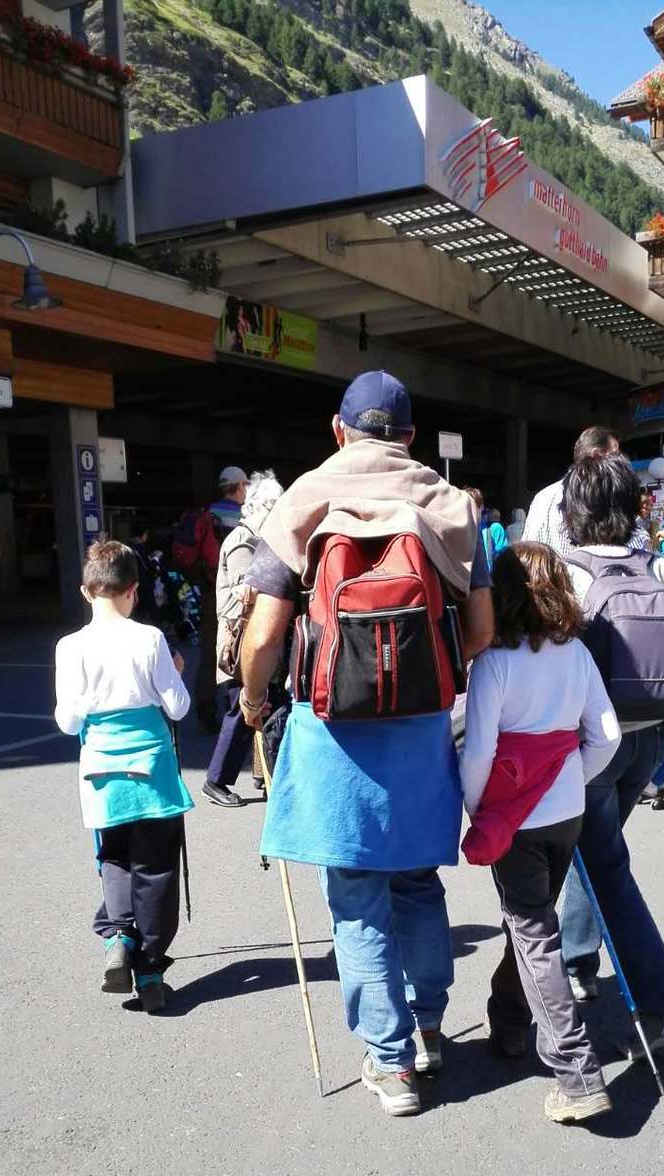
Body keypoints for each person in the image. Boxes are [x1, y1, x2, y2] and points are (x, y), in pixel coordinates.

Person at [239, 370, 494, 1117]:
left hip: (334, 736)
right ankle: (429, 1028)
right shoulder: (449, 504)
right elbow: (481, 630)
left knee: (355, 901)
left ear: (338, 429)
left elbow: (264, 635)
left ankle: (390, 1063)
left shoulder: (305, 498)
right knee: (417, 882)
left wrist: (254, 700)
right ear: (411, 436)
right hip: (420, 736)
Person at [461, 543, 620, 1124]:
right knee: (533, 924)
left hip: (515, 817)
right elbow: (606, 736)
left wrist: (478, 809)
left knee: (532, 933)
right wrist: (572, 775)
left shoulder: (495, 663)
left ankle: (577, 1073)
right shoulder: (576, 653)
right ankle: (508, 1022)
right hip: (566, 810)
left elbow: (479, 750)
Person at [558, 454, 664, 1058]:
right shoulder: (662, 568)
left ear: (573, 511)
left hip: (591, 742)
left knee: (606, 868)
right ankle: (577, 961)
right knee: (595, 854)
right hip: (647, 740)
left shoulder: (568, 572)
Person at [53, 539, 193, 1013]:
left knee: (113, 857)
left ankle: (118, 938)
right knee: (156, 868)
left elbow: (68, 722)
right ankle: (150, 970)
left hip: (101, 772)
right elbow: (178, 707)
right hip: (152, 772)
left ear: (86, 591)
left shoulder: (70, 647)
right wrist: (176, 671)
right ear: (133, 590)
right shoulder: (149, 639)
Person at [203, 470, 284, 808]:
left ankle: (265, 776)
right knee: (242, 710)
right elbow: (245, 595)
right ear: (260, 506)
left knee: (265, 706)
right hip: (240, 645)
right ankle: (216, 780)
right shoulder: (242, 541)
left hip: (250, 641)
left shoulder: (256, 539)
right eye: (274, 507)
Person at [523, 426, 648, 556]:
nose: (620, 461)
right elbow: (634, 553)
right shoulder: (608, 497)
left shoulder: (542, 497)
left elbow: (528, 556)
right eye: (615, 455)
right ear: (596, 455)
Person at [195, 468, 249, 733]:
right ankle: (237, 708)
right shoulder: (245, 516)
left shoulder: (208, 513)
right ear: (239, 486)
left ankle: (205, 711)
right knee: (239, 649)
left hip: (209, 591)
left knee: (209, 653)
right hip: (237, 594)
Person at [210, 466, 249, 534]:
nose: (246, 489)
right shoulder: (245, 516)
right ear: (240, 486)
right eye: (245, 485)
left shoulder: (210, 510)